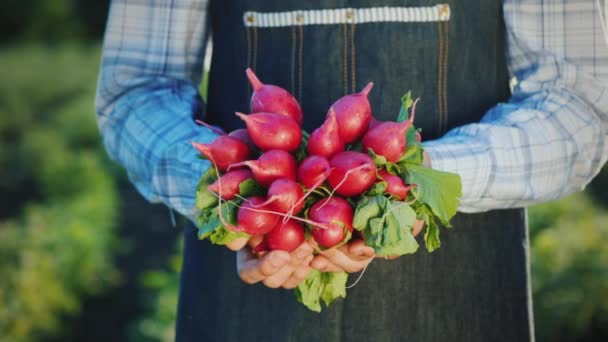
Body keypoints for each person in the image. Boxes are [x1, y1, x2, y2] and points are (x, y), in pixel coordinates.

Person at [95, 0, 608, 341]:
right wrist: (234, 194)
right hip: (246, 292)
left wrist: (415, 180)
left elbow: (580, 108)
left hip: (462, 303)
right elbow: (136, 90)